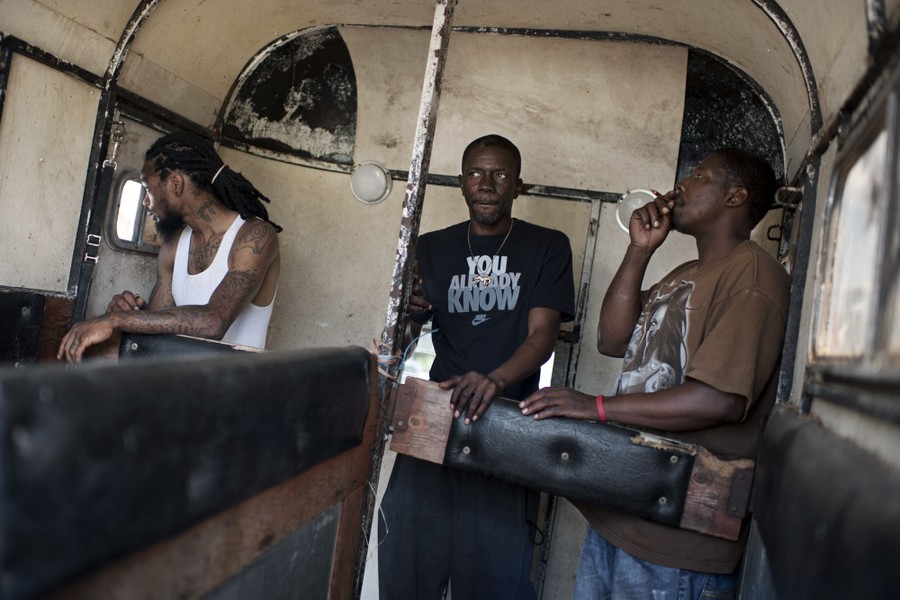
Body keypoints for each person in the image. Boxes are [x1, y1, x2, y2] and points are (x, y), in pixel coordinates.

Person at [520, 148, 790, 599]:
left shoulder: (753, 277)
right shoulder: (686, 273)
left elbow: (718, 399)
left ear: (736, 197)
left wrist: (598, 408)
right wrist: (639, 251)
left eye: (701, 175)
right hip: (625, 515)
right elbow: (612, 338)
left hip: (677, 544)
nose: (681, 184)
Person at [378, 134, 576, 599]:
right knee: (406, 561)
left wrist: (495, 380)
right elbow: (409, 334)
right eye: (475, 174)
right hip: (435, 420)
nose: (486, 184)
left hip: (507, 424)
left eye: (500, 174)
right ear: (462, 183)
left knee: (492, 576)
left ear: (518, 186)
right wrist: (403, 323)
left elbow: (543, 335)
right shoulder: (430, 247)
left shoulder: (547, 245)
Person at [58, 132, 281, 363]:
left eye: (148, 188)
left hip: (237, 391)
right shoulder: (174, 246)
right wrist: (127, 313)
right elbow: (156, 336)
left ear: (176, 184)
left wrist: (116, 321)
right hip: (183, 384)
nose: (146, 201)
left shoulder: (255, 237)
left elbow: (214, 321)